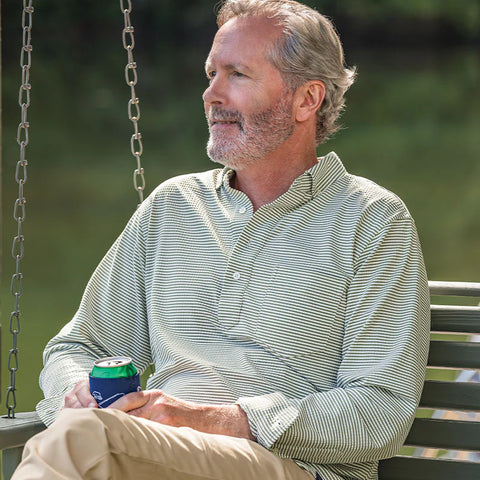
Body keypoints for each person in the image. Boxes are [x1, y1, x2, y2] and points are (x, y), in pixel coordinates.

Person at [13, 1, 430, 479]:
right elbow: (79, 345)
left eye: (237, 74)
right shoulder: (173, 205)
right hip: (144, 453)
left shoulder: (372, 220)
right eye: (211, 74)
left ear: (306, 100)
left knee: (85, 441)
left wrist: (213, 420)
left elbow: (382, 410)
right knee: (84, 433)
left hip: (289, 465)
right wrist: (79, 393)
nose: (211, 94)